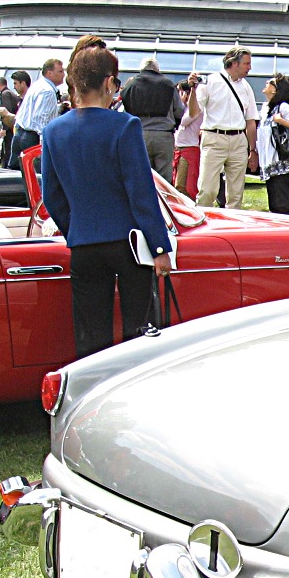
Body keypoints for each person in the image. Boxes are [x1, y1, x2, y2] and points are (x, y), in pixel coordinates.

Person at [38, 47, 172, 358]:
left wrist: (76, 229)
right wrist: (160, 247)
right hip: (128, 243)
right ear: (110, 82)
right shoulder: (124, 126)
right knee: (139, 331)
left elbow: (52, 196)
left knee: (90, 337)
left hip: (84, 242)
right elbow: (140, 193)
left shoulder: (53, 131)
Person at [187, 46, 257, 209]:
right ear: (234, 63)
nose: (250, 68)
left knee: (236, 195)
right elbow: (194, 112)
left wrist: (252, 150)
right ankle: (204, 226)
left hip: (239, 140)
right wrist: (192, 90)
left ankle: (232, 230)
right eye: (246, 63)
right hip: (214, 137)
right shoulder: (210, 82)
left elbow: (251, 120)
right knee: (207, 191)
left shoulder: (246, 86)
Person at [119, 58, 183, 179]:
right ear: (157, 69)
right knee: (164, 181)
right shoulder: (168, 84)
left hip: (139, 135)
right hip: (163, 136)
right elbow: (179, 111)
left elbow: (124, 113)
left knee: (141, 177)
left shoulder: (131, 85)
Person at [257, 74, 289, 215]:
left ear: (276, 89)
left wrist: (282, 121)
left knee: (282, 204)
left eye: (270, 82)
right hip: (269, 164)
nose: (266, 83)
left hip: (280, 163)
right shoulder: (266, 108)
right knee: (274, 204)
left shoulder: (283, 107)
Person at [9, 59, 64, 169]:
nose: (64, 74)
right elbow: (41, 120)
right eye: (60, 71)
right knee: (37, 177)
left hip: (20, 133)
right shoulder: (48, 91)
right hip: (32, 138)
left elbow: (24, 112)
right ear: (50, 73)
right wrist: (43, 145)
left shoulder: (37, 85)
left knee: (16, 175)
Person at [172, 80, 202, 200]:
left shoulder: (195, 108)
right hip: (179, 148)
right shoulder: (183, 108)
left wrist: (183, 103)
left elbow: (184, 121)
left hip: (189, 148)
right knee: (176, 183)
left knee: (184, 185)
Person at [0, 71, 28, 167]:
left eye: (15, 83)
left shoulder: (28, 100)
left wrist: (6, 116)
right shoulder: (19, 99)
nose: (14, 86)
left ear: (23, 83)